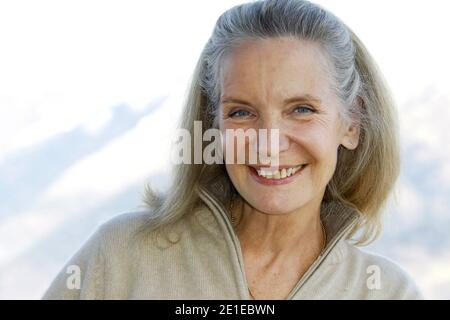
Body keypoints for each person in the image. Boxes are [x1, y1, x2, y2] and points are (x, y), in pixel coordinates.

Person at [43, 0, 423, 299]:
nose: (269, 143)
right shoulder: (121, 258)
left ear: (352, 122)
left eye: (301, 110)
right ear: (214, 125)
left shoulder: (389, 293)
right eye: (242, 112)